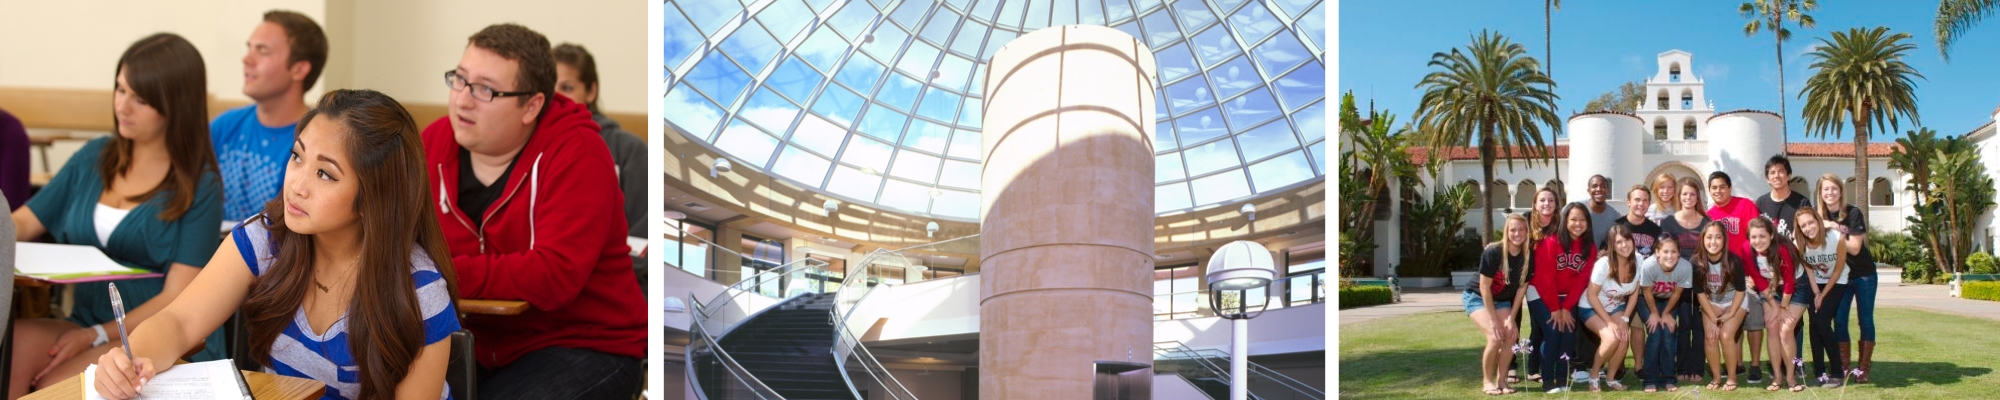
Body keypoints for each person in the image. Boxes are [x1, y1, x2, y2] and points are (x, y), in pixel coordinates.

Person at [93, 89, 459, 400]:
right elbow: (180, 320)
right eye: (297, 157)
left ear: (374, 199)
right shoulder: (266, 238)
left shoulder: (419, 290)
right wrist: (132, 360)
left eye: (325, 174)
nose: (297, 184)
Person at [421, 24, 644, 398]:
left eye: (485, 89)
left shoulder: (580, 152)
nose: (462, 100)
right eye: (459, 80)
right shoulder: (432, 141)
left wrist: (441, 272)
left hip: (583, 344)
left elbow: (553, 274)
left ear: (532, 105)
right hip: (468, 341)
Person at [6, 33, 226, 397]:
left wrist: (94, 336)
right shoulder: (94, 156)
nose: (122, 106)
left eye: (140, 99)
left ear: (176, 105)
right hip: (85, 321)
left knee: (50, 387)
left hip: (152, 339)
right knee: (12, 347)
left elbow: (178, 295)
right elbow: (25, 221)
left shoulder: (199, 185)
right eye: (120, 90)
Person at [211, 10, 328, 222]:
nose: (246, 59)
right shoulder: (224, 126)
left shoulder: (317, 139)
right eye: (250, 48)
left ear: (299, 69)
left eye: (262, 51)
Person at [551, 43, 647, 289]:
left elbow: (642, 238)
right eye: (548, 86)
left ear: (591, 91)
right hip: (550, 284)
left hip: (614, 285)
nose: (556, 96)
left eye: (567, 87)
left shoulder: (629, 149)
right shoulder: (527, 149)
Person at [1704, 171, 1764, 383]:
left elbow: (1758, 236)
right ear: (1709, 191)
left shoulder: (1746, 205)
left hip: (1749, 273)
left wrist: (1757, 272)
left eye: (1722, 186)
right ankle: (1737, 364)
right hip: (1724, 278)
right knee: (1732, 323)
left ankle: (1755, 364)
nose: (1718, 191)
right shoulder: (1709, 214)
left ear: (1730, 188)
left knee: (1754, 321)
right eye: (1714, 188)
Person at [1529, 202, 1596, 393]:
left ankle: (1562, 379)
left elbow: (1582, 281)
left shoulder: (1588, 247)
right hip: (1541, 293)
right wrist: (1554, 309)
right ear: (1565, 220)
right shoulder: (1550, 241)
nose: (1578, 223)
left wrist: (1566, 307)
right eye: (1573, 219)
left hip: (1568, 297)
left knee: (1567, 336)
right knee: (1552, 333)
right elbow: (1544, 278)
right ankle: (1548, 380)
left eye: (1583, 220)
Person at [1465, 214, 1533, 395]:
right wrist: (1494, 320)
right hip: (1478, 296)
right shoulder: (1493, 252)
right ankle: (1487, 381)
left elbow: (1520, 291)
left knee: (1511, 335)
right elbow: (1484, 287)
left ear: (1527, 232)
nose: (1517, 233)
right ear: (1506, 231)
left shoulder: (1528, 256)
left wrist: (1511, 318)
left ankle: (1502, 381)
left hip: (1502, 300)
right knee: (1494, 337)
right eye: (1513, 230)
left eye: (1521, 229)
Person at [1816, 173, 1875, 382]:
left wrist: (1835, 227)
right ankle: (1843, 366)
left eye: (1834, 188)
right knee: (1839, 321)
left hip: (1863, 275)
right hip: (1840, 277)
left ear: (1841, 191)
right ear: (1820, 193)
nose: (1830, 193)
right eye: (1825, 189)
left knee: (1865, 320)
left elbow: (1856, 248)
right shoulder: (1817, 218)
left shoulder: (1853, 213)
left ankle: (1863, 369)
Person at [1801, 200, 1857, 388]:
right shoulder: (1799, 243)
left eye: (1810, 222)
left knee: (1823, 321)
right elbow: (1808, 267)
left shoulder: (1835, 237)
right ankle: (1820, 372)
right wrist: (1816, 292)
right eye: (1803, 226)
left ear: (1818, 220)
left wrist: (1822, 295)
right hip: (1815, 282)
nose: (1808, 228)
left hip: (1837, 280)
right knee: (1814, 324)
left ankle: (1837, 372)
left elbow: (1839, 268)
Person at [1662, 176, 1711, 383]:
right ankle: (1681, 367)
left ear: (1697, 196)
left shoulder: (1707, 222)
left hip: (1702, 283)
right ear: (1678, 197)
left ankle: (1697, 368)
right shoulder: (1669, 221)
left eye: (1692, 194)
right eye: (1684, 194)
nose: (1688, 197)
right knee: (1683, 327)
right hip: (1678, 283)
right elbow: (1665, 253)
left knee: (1699, 326)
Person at [1746, 217, 1804, 392]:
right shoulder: (1748, 252)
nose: (1758, 241)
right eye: (1753, 237)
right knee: (1771, 326)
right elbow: (1756, 280)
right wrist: (1773, 305)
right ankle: (1777, 377)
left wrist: (1783, 308)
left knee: (1785, 329)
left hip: (1796, 287)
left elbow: (1789, 282)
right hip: (1770, 289)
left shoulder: (1782, 249)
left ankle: (1791, 378)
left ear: (1771, 235)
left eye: (1762, 236)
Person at [1581, 223, 1640, 391]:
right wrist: (1610, 322)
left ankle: (1611, 378)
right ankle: (1594, 375)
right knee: (1611, 337)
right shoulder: (1603, 264)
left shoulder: (1639, 259)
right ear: (1611, 246)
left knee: (1622, 338)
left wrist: (1625, 319)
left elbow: (1635, 293)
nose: (1624, 245)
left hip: (1616, 306)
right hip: (1591, 306)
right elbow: (1592, 295)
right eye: (1618, 242)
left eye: (1627, 239)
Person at [1612, 185, 1661, 378]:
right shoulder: (1617, 226)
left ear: (1649, 203)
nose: (1641, 204)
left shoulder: (1655, 229)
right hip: (1617, 287)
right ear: (1629, 202)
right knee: (1617, 327)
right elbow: (1604, 253)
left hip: (1641, 288)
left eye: (1645, 200)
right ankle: (1618, 364)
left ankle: (1639, 365)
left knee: (1638, 327)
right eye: (1637, 200)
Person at [1694, 222, 1748, 391]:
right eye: (1709, 237)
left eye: (1718, 237)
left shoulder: (1734, 260)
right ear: (1703, 239)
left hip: (1736, 302)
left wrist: (1730, 313)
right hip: (1712, 303)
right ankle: (1717, 378)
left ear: (1724, 240)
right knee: (1710, 336)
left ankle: (1732, 378)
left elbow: (1741, 290)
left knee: (1725, 335)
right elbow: (1700, 294)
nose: (1713, 241)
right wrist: (1713, 317)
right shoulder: (1696, 262)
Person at [1637, 237, 1691, 392]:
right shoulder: (1649, 265)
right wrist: (1654, 313)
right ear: (1657, 253)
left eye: (1674, 251)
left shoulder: (1684, 267)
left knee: (1668, 333)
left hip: (1669, 301)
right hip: (1647, 300)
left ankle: (1668, 378)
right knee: (1655, 333)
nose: (1669, 255)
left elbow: (1677, 293)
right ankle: (1650, 379)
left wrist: (1666, 313)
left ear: (1679, 253)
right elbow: (1646, 292)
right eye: (1665, 251)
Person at [1755, 155, 1811, 237]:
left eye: (1781, 171)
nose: (1776, 176)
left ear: (1789, 176)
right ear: (1768, 179)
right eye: (1772, 172)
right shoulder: (1760, 203)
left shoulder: (1802, 203)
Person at [1586, 175, 1622, 246]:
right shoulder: (1576, 209)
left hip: (1601, 256)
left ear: (1608, 191)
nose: (1599, 189)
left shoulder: (1615, 217)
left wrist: (1607, 250)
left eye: (1603, 186)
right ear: (1589, 190)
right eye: (1594, 186)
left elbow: (1616, 241)